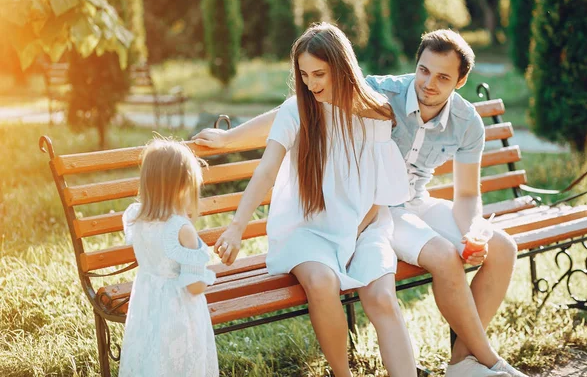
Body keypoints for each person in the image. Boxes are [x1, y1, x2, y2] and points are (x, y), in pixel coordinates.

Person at [193, 29, 528, 377]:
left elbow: (445, 193)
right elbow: (282, 129)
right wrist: (229, 140)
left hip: (388, 211)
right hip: (348, 217)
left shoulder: (406, 114)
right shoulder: (369, 95)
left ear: (460, 81)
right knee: (427, 260)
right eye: (424, 70)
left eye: (443, 77)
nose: (428, 83)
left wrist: (472, 230)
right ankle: (481, 360)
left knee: (489, 252)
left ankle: (467, 361)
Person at [211, 22, 417, 377]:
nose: (311, 84)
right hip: (306, 232)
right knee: (323, 282)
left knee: (382, 298)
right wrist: (235, 228)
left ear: (342, 67)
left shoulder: (377, 112)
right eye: (304, 74)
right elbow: (266, 171)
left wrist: (353, 234)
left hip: (364, 226)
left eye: (319, 73)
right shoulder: (297, 110)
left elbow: (382, 190)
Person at [118, 138, 218, 377]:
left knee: (152, 357)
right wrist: (204, 270)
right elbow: (195, 287)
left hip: (147, 304)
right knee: (179, 362)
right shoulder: (182, 230)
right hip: (178, 311)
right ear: (183, 186)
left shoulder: (136, 218)